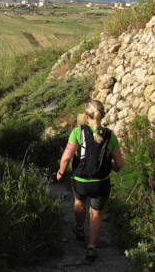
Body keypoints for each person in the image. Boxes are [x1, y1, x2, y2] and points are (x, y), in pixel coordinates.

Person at [56, 100, 124, 262]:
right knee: (96, 213)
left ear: (87, 117)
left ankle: (79, 230)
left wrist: (60, 172)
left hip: (80, 181)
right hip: (101, 182)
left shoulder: (77, 132)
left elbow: (66, 157)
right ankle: (92, 248)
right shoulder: (110, 135)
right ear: (103, 115)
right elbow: (120, 164)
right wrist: (113, 168)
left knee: (79, 203)